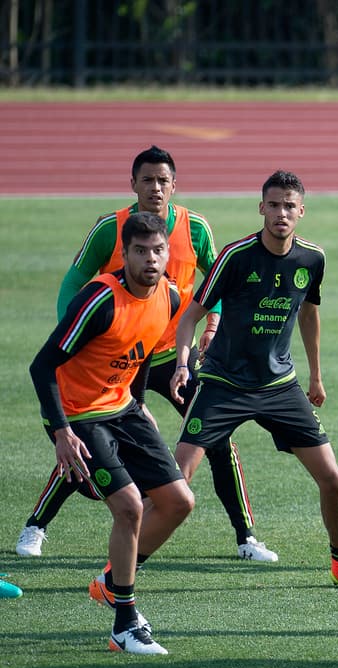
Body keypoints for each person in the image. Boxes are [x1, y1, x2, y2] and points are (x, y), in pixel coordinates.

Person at [16, 145, 274, 563]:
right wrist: (75, 335)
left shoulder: (195, 229)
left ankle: (245, 536)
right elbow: (75, 280)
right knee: (86, 438)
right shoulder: (112, 228)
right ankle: (36, 526)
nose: (156, 187)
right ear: (132, 183)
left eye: (163, 180)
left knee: (217, 435)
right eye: (148, 179)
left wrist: (211, 324)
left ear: (175, 184)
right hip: (114, 359)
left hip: (174, 358)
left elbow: (216, 282)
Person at [169, 170, 338, 591]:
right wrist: (182, 363)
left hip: (280, 388)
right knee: (177, 482)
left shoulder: (312, 259)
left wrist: (316, 375)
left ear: (301, 211)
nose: (281, 213)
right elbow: (192, 314)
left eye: (290, 206)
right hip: (224, 384)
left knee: (333, 478)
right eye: (274, 204)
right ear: (261, 207)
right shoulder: (235, 256)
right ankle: (120, 572)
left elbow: (308, 312)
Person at [29, 211, 195, 654]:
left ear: (167, 253)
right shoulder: (99, 300)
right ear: (124, 255)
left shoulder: (171, 297)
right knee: (128, 508)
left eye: (158, 250)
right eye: (140, 251)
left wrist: (139, 403)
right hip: (78, 414)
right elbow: (42, 365)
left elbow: (138, 353)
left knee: (180, 502)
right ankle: (125, 624)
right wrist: (62, 431)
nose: (150, 259)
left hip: (122, 407)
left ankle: (111, 582)